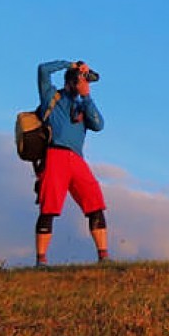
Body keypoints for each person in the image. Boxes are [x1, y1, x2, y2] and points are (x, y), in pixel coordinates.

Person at [33, 59, 109, 266]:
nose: (82, 83)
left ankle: (103, 257)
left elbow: (99, 124)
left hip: (76, 159)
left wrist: (87, 96)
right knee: (49, 207)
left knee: (95, 203)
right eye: (79, 81)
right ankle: (41, 260)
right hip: (55, 154)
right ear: (69, 82)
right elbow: (43, 70)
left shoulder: (83, 103)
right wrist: (70, 65)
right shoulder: (52, 97)